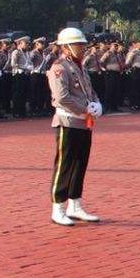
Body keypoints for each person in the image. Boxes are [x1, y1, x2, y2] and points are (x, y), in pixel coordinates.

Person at [47, 27, 102, 227]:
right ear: (68, 47)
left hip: (83, 122)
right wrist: (84, 109)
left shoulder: (81, 67)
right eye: (79, 44)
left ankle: (75, 204)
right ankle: (58, 208)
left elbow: (89, 90)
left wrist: (96, 104)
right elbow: (61, 97)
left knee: (80, 163)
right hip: (68, 121)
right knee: (65, 165)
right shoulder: (59, 67)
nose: (83, 48)